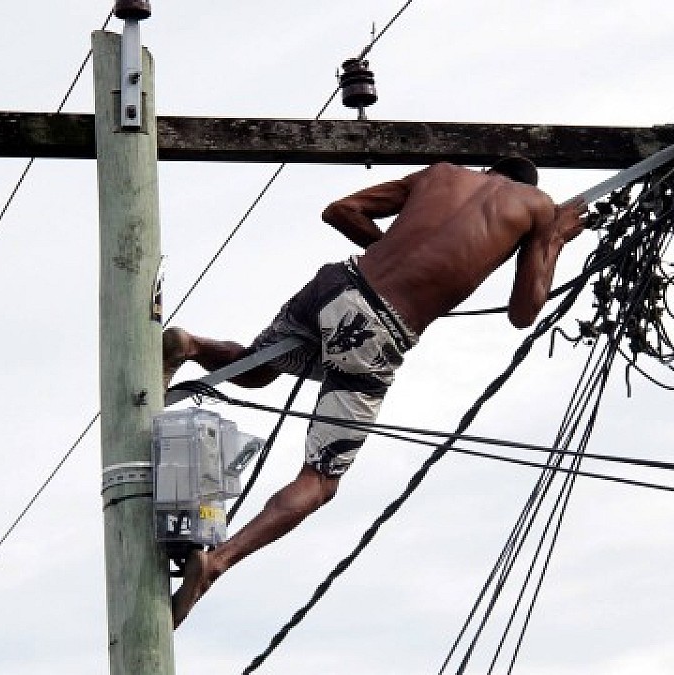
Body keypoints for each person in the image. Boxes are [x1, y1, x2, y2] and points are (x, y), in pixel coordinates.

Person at [163, 157, 586, 628]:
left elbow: (341, 210)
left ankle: (190, 345)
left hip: (335, 285)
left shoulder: (438, 173)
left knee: (259, 367)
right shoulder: (537, 206)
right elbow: (524, 312)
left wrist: (397, 255)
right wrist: (552, 240)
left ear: (487, 171)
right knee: (321, 481)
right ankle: (216, 564)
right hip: (376, 330)